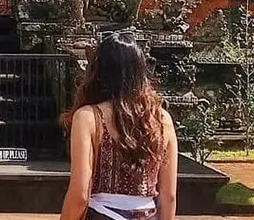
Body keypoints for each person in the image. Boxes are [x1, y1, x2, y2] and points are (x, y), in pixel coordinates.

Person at [60, 32, 178, 220]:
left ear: (97, 71)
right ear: (141, 71)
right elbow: (169, 196)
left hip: (102, 213)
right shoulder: (162, 119)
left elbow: (81, 194)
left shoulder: (89, 117)